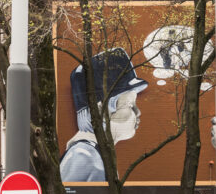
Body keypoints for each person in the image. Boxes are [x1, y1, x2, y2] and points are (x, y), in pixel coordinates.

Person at [59, 48, 149, 182]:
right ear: (100, 111)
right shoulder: (85, 156)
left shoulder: (94, 154)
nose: (138, 112)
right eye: (130, 105)